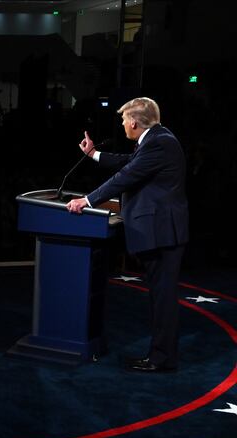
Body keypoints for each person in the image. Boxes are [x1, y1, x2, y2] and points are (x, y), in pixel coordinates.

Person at [66, 97, 188, 373]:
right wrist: (93, 154)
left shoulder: (159, 142)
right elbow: (129, 162)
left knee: (163, 299)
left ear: (133, 122)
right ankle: (161, 356)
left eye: (123, 120)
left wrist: (88, 200)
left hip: (163, 233)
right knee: (160, 297)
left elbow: (127, 175)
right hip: (162, 231)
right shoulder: (157, 138)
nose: (122, 124)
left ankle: (162, 359)